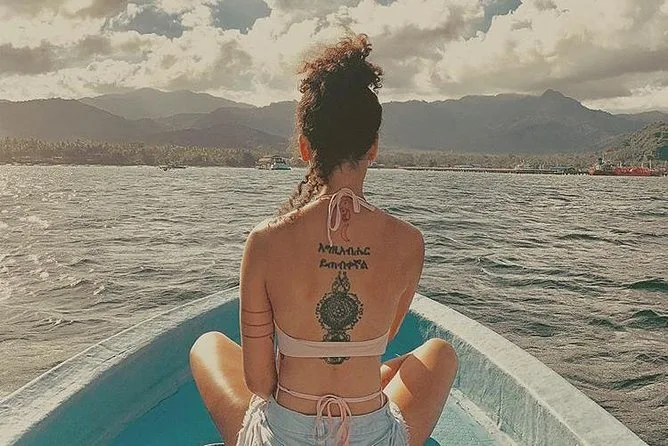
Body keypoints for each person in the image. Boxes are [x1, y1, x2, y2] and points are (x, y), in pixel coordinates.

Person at [190, 33, 458, 446]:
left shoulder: (265, 241)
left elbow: (260, 383)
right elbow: (379, 339)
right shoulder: (409, 242)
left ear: (304, 147)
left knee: (207, 345)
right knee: (441, 353)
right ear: (373, 148)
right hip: (371, 435)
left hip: (285, 435)